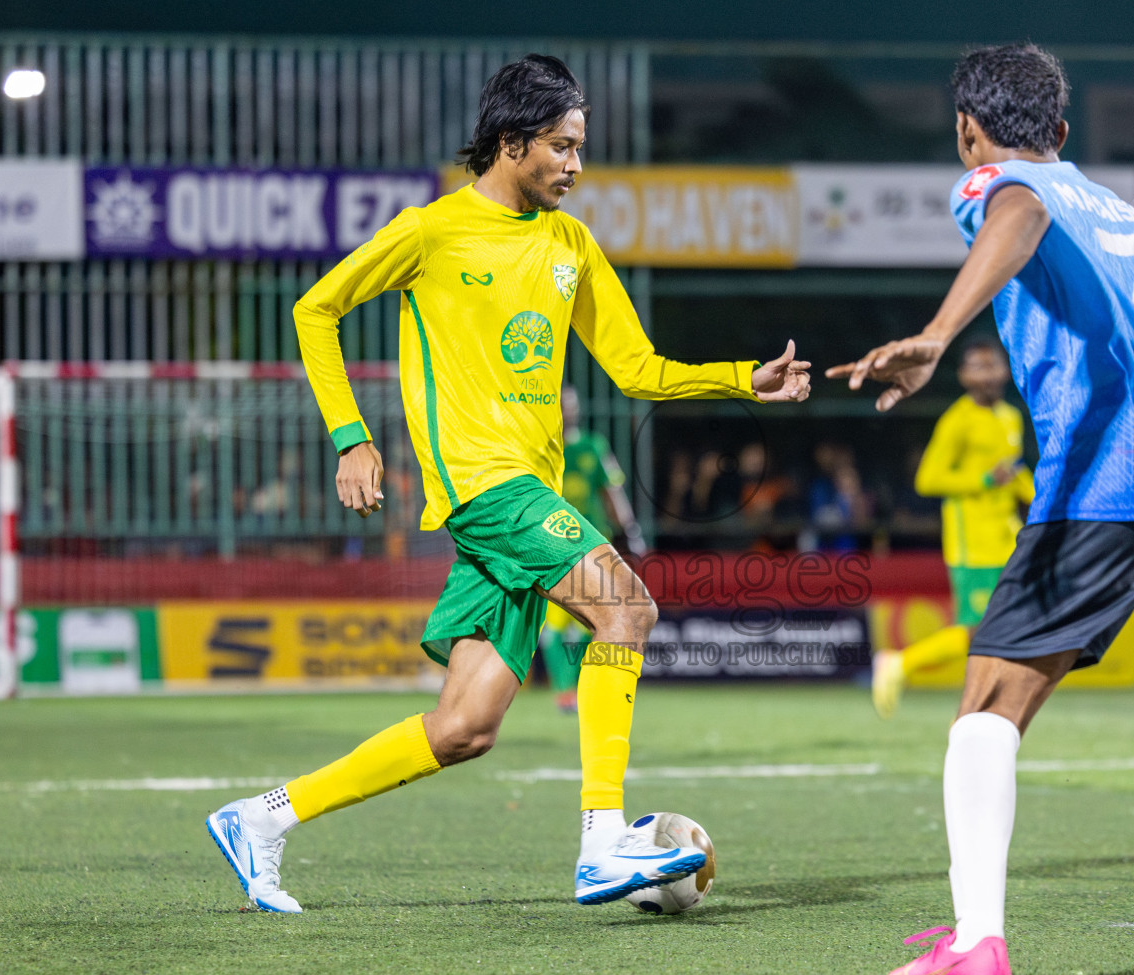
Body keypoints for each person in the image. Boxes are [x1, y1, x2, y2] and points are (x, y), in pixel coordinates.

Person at [206, 54, 811, 914]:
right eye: (562, 147)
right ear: (511, 141)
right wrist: (352, 438)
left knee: (465, 728)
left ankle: (263, 820)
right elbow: (316, 310)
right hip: (486, 488)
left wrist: (741, 378)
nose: (576, 165)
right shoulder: (430, 232)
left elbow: (636, 367)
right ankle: (604, 844)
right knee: (626, 608)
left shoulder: (569, 241)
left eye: (580, 148)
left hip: (530, 496)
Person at [828, 44, 1134, 975]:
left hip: (1106, 480)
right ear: (1063, 131)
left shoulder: (1001, 180)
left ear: (969, 132)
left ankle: (978, 942)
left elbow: (1019, 207)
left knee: (988, 709)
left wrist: (937, 337)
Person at [870, 336, 1033, 719]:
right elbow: (928, 479)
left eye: (991, 364)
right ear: (962, 376)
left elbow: (1011, 473)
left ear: (1005, 370)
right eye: (976, 367)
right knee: (976, 629)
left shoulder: (1009, 417)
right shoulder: (957, 421)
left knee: (1008, 621)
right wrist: (984, 480)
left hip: (1005, 538)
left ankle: (992, 695)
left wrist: (1042, 498)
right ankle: (900, 664)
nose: (986, 373)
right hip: (971, 544)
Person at [540, 384, 646, 713]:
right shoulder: (542, 448)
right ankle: (563, 690)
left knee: (596, 620)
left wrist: (630, 529)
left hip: (593, 543)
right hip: (552, 545)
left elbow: (612, 491)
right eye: (560, 404)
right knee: (554, 625)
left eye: (571, 404)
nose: (567, 409)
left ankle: (578, 686)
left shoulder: (593, 445)